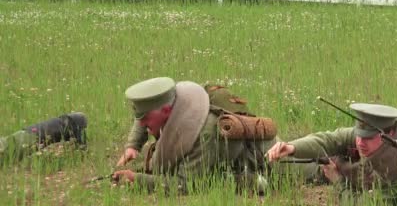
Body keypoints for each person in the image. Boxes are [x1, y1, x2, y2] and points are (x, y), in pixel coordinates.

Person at [112, 77, 282, 194]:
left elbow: (185, 184)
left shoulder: (203, 133)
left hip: (273, 160)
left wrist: (137, 179)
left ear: (165, 111)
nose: (142, 124)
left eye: (146, 119)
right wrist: (133, 146)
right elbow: (142, 114)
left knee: (304, 169)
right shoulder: (172, 104)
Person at [266, 103, 397, 206]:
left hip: (337, 175)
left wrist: (337, 180)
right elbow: (330, 139)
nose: (360, 142)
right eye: (359, 135)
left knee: (280, 169)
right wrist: (292, 147)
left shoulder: (393, 168)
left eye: (368, 138)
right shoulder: (374, 136)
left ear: (388, 136)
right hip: (339, 169)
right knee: (280, 157)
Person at [0, 113, 87, 163]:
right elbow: (81, 147)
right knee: (8, 149)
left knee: (8, 147)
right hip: (29, 138)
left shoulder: (59, 123)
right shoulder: (69, 126)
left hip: (25, 134)